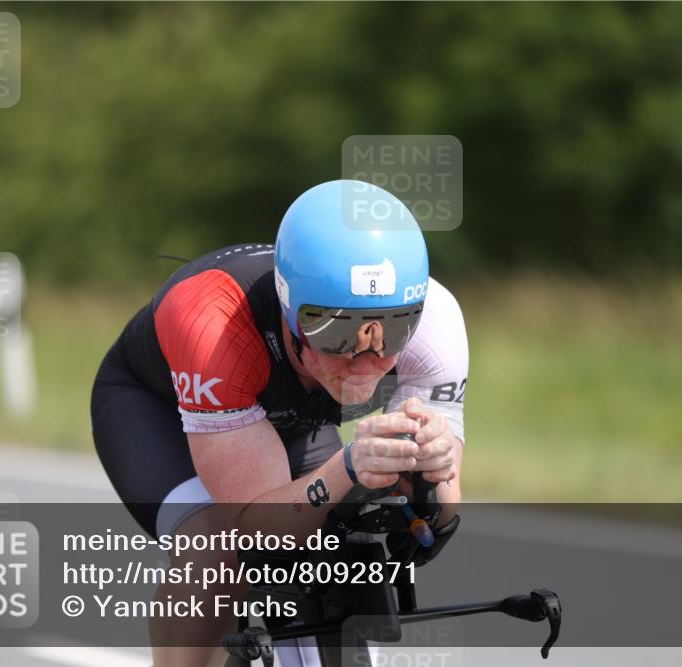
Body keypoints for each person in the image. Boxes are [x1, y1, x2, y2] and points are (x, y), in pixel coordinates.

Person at [90, 180, 469, 666]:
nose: (365, 359)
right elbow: (254, 523)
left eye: (391, 328)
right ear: (289, 310)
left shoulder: (436, 323)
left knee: (335, 548)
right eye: (336, 332)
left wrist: (430, 473)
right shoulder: (212, 320)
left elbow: (437, 522)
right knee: (220, 552)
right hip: (155, 409)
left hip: (291, 415)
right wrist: (348, 468)